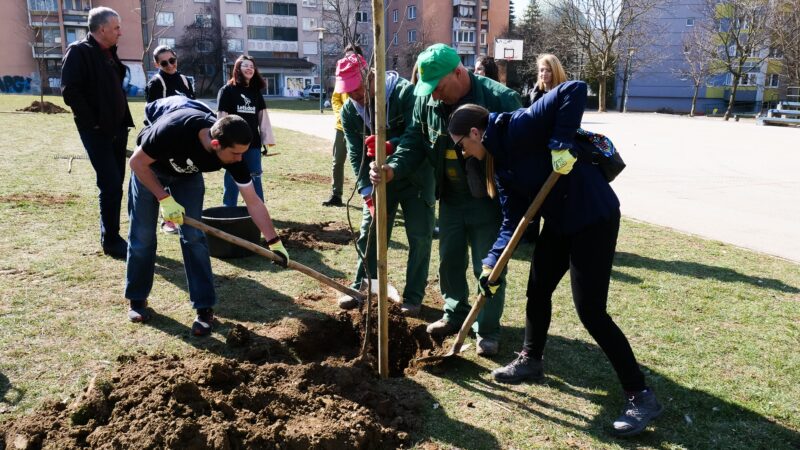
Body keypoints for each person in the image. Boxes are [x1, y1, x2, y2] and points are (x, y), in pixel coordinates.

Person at [446, 81, 663, 437]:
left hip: (594, 216)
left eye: (462, 146)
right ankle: (531, 359)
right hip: (560, 222)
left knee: (591, 312)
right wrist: (491, 264)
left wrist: (560, 143)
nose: (464, 154)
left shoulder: (517, 125)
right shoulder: (501, 168)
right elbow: (511, 221)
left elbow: (574, 90)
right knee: (538, 288)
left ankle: (641, 395)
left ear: (474, 133)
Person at [369, 44, 522, 356]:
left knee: (488, 267)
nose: (435, 96)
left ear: (459, 72)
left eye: (438, 87)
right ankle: (454, 313)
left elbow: (519, 154)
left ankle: (486, 328)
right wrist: (393, 168)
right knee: (450, 260)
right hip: (450, 196)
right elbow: (414, 138)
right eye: (431, 90)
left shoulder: (500, 100)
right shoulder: (425, 99)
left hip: (489, 201)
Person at [126, 110, 289, 336]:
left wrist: (274, 242)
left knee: (194, 237)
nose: (239, 159)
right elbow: (137, 163)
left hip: (187, 176)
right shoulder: (174, 130)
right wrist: (164, 198)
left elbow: (253, 201)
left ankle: (204, 309)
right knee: (143, 235)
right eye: (235, 153)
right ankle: (137, 300)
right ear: (215, 144)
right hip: (150, 169)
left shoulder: (233, 154)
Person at [335, 54, 435, 317]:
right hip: (379, 181)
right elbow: (356, 154)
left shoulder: (404, 94)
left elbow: (420, 133)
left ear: (371, 75)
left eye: (357, 87)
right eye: (348, 90)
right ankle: (364, 288)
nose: (354, 95)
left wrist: (392, 145)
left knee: (420, 236)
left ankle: (413, 297)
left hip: (416, 178)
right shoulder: (349, 111)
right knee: (370, 233)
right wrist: (367, 193)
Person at [61, 6, 134, 259]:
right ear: (102, 29)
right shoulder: (79, 52)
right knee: (110, 184)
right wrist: (93, 123)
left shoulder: (109, 54)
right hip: (97, 132)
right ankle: (111, 240)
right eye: (116, 28)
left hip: (117, 129)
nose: (120, 33)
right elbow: (70, 91)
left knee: (116, 185)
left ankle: (112, 234)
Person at [145, 45, 196, 235]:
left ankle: (183, 216)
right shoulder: (156, 84)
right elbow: (152, 114)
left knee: (183, 176)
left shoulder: (184, 80)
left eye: (172, 61)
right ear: (157, 64)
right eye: (164, 63)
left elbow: (192, 104)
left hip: (185, 138)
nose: (169, 65)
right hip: (165, 138)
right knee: (166, 178)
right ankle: (167, 220)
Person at [216, 55, 275, 206]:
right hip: (232, 145)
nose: (249, 68)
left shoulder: (255, 92)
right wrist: (222, 142)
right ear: (237, 69)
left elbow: (263, 116)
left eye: (251, 66)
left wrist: (267, 139)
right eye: (245, 65)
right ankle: (229, 208)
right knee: (232, 176)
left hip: (253, 144)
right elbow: (222, 118)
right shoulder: (227, 90)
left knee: (255, 176)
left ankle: (258, 208)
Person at [322, 44, 363, 207]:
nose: (349, 60)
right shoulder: (342, 76)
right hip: (341, 127)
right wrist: (341, 115)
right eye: (347, 57)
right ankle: (336, 195)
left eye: (352, 57)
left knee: (362, 162)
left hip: (361, 127)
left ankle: (368, 195)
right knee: (337, 161)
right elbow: (335, 99)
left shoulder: (364, 76)